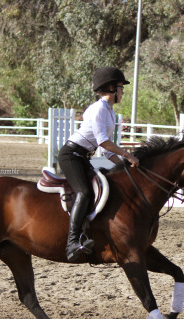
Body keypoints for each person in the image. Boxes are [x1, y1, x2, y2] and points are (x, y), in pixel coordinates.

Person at [58, 66, 139, 262]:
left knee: (100, 188)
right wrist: (128, 155)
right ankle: (71, 242)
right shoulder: (97, 110)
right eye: (120, 88)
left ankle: (88, 233)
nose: (122, 92)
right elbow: (102, 141)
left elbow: (107, 150)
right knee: (84, 192)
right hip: (71, 155)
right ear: (111, 88)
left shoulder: (109, 112)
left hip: (83, 156)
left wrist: (123, 166)